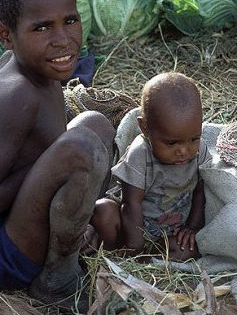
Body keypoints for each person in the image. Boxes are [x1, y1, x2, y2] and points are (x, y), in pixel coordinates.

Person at [0, 0, 115, 313]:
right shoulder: (19, 96)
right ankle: (57, 282)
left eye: (70, 21)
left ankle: (72, 234)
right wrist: (51, 164)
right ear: (6, 35)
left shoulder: (34, 67)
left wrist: (53, 165)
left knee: (97, 124)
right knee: (79, 148)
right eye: (42, 28)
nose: (62, 39)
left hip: (16, 224)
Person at [89, 72, 212, 261]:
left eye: (193, 139)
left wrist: (193, 227)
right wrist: (134, 244)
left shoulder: (199, 151)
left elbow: (200, 192)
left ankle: (151, 258)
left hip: (169, 232)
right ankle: (113, 253)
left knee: (187, 250)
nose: (184, 151)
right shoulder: (141, 153)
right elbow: (131, 204)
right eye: (172, 143)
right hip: (129, 226)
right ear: (145, 128)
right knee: (103, 211)